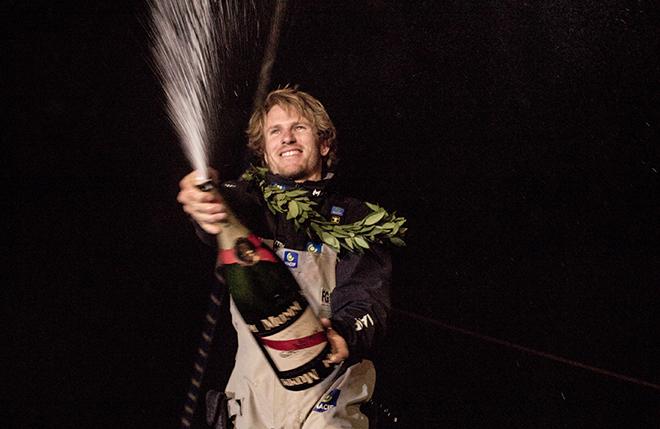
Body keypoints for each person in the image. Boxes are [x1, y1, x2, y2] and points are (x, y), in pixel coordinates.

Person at [177, 87, 393, 429]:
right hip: (253, 402)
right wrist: (204, 199)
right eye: (275, 131)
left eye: (300, 127)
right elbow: (224, 211)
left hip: (329, 395)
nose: (287, 137)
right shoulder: (251, 207)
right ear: (263, 152)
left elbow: (366, 297)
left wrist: (343, 331)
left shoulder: (356, 217)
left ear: (324, 144)